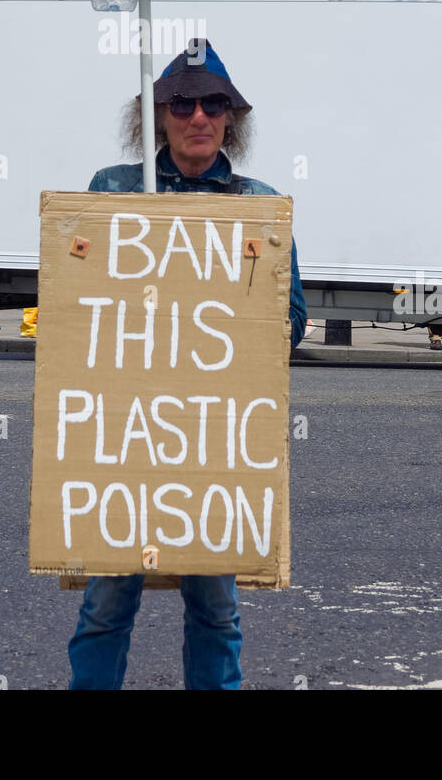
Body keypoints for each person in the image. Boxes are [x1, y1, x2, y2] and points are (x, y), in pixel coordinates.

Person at [67, 40, 308, 692]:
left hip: (212, 441)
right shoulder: (114, 191)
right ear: (157, 116)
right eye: (181, 104)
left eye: (212, 104)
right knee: (105, 605)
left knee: (216, 607)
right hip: (127, 435)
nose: (197, 116)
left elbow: (288, 321)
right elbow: (77, 302)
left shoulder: (257, 204)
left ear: (231, 117)